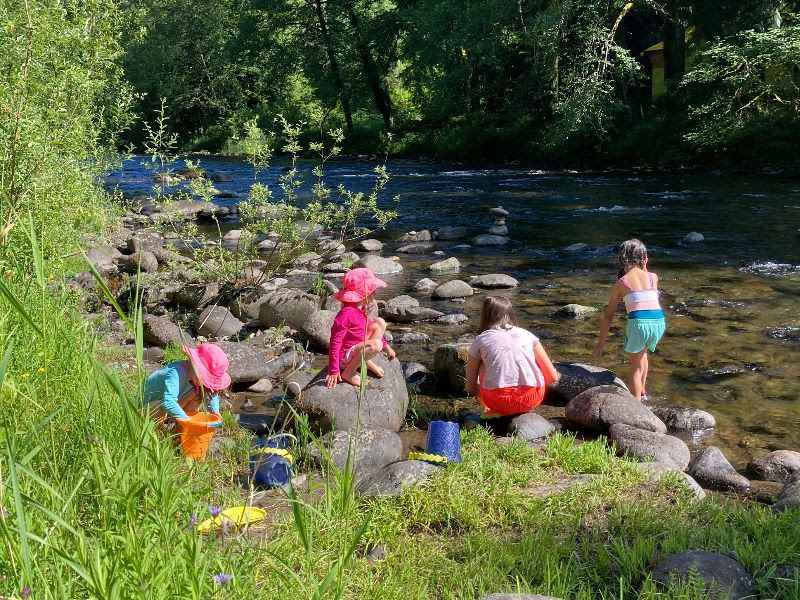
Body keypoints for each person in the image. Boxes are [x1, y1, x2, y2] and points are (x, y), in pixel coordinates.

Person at [593, 238, 666, 401]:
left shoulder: (622, 282)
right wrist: (645, 267)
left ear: (621, 259)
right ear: (644, 258)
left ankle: (637, 405)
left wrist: (600, 345)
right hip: (659, 322)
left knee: (635, 368)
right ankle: (642, 391)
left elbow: (608, 316)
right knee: (643, 353)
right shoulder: (653, 277)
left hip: (639, 324)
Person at [465, 296, 559, 416]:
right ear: (510, 313)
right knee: (532, 362)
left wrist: (494, 394)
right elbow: (552, 377)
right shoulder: (528, 335)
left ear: (485, 316)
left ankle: (491, 410)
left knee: (483, 363)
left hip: (498, 401)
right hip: (531, 399)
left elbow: (470, 388)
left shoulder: (481, 340)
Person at [326, 267, 396, 388]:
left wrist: (387, 347)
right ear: (363, 293)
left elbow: (368, 329)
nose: (374, 293)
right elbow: (335, 341)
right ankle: (349, 372)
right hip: (345, 357)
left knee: (379, 322)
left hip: (356, 347)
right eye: (371, 290)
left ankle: (365, 361)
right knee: (376, 345)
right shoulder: (347, 313)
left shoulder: (360, 309)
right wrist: (333, 370)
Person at [144, 342, 231, 422]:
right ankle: (158, 430)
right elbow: (168, 403)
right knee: (162, 406)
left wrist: (215, 411)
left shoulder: (193, 376)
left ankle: (178, 427)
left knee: (198, 394)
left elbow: (212, 392)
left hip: (168, 408)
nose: (204, 382)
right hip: (147, 408)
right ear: (194, 365)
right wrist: (188, 421)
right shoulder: (176, 372)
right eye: (204, 377)